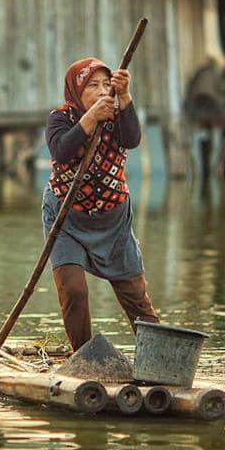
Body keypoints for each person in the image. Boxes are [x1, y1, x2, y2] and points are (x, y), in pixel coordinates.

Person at [43, 57, 159, 350]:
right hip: (66, 218)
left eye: (106, 84)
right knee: (73, 290)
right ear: (76, 90)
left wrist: (125, 96)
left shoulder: (118, 114)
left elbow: (132, 139)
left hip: (112, 219)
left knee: (135, 295)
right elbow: (63, 150)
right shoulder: (61, 117)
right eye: (92, 85)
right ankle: (82, 355)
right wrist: (90, 118)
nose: (100, 90)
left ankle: (159, 357)